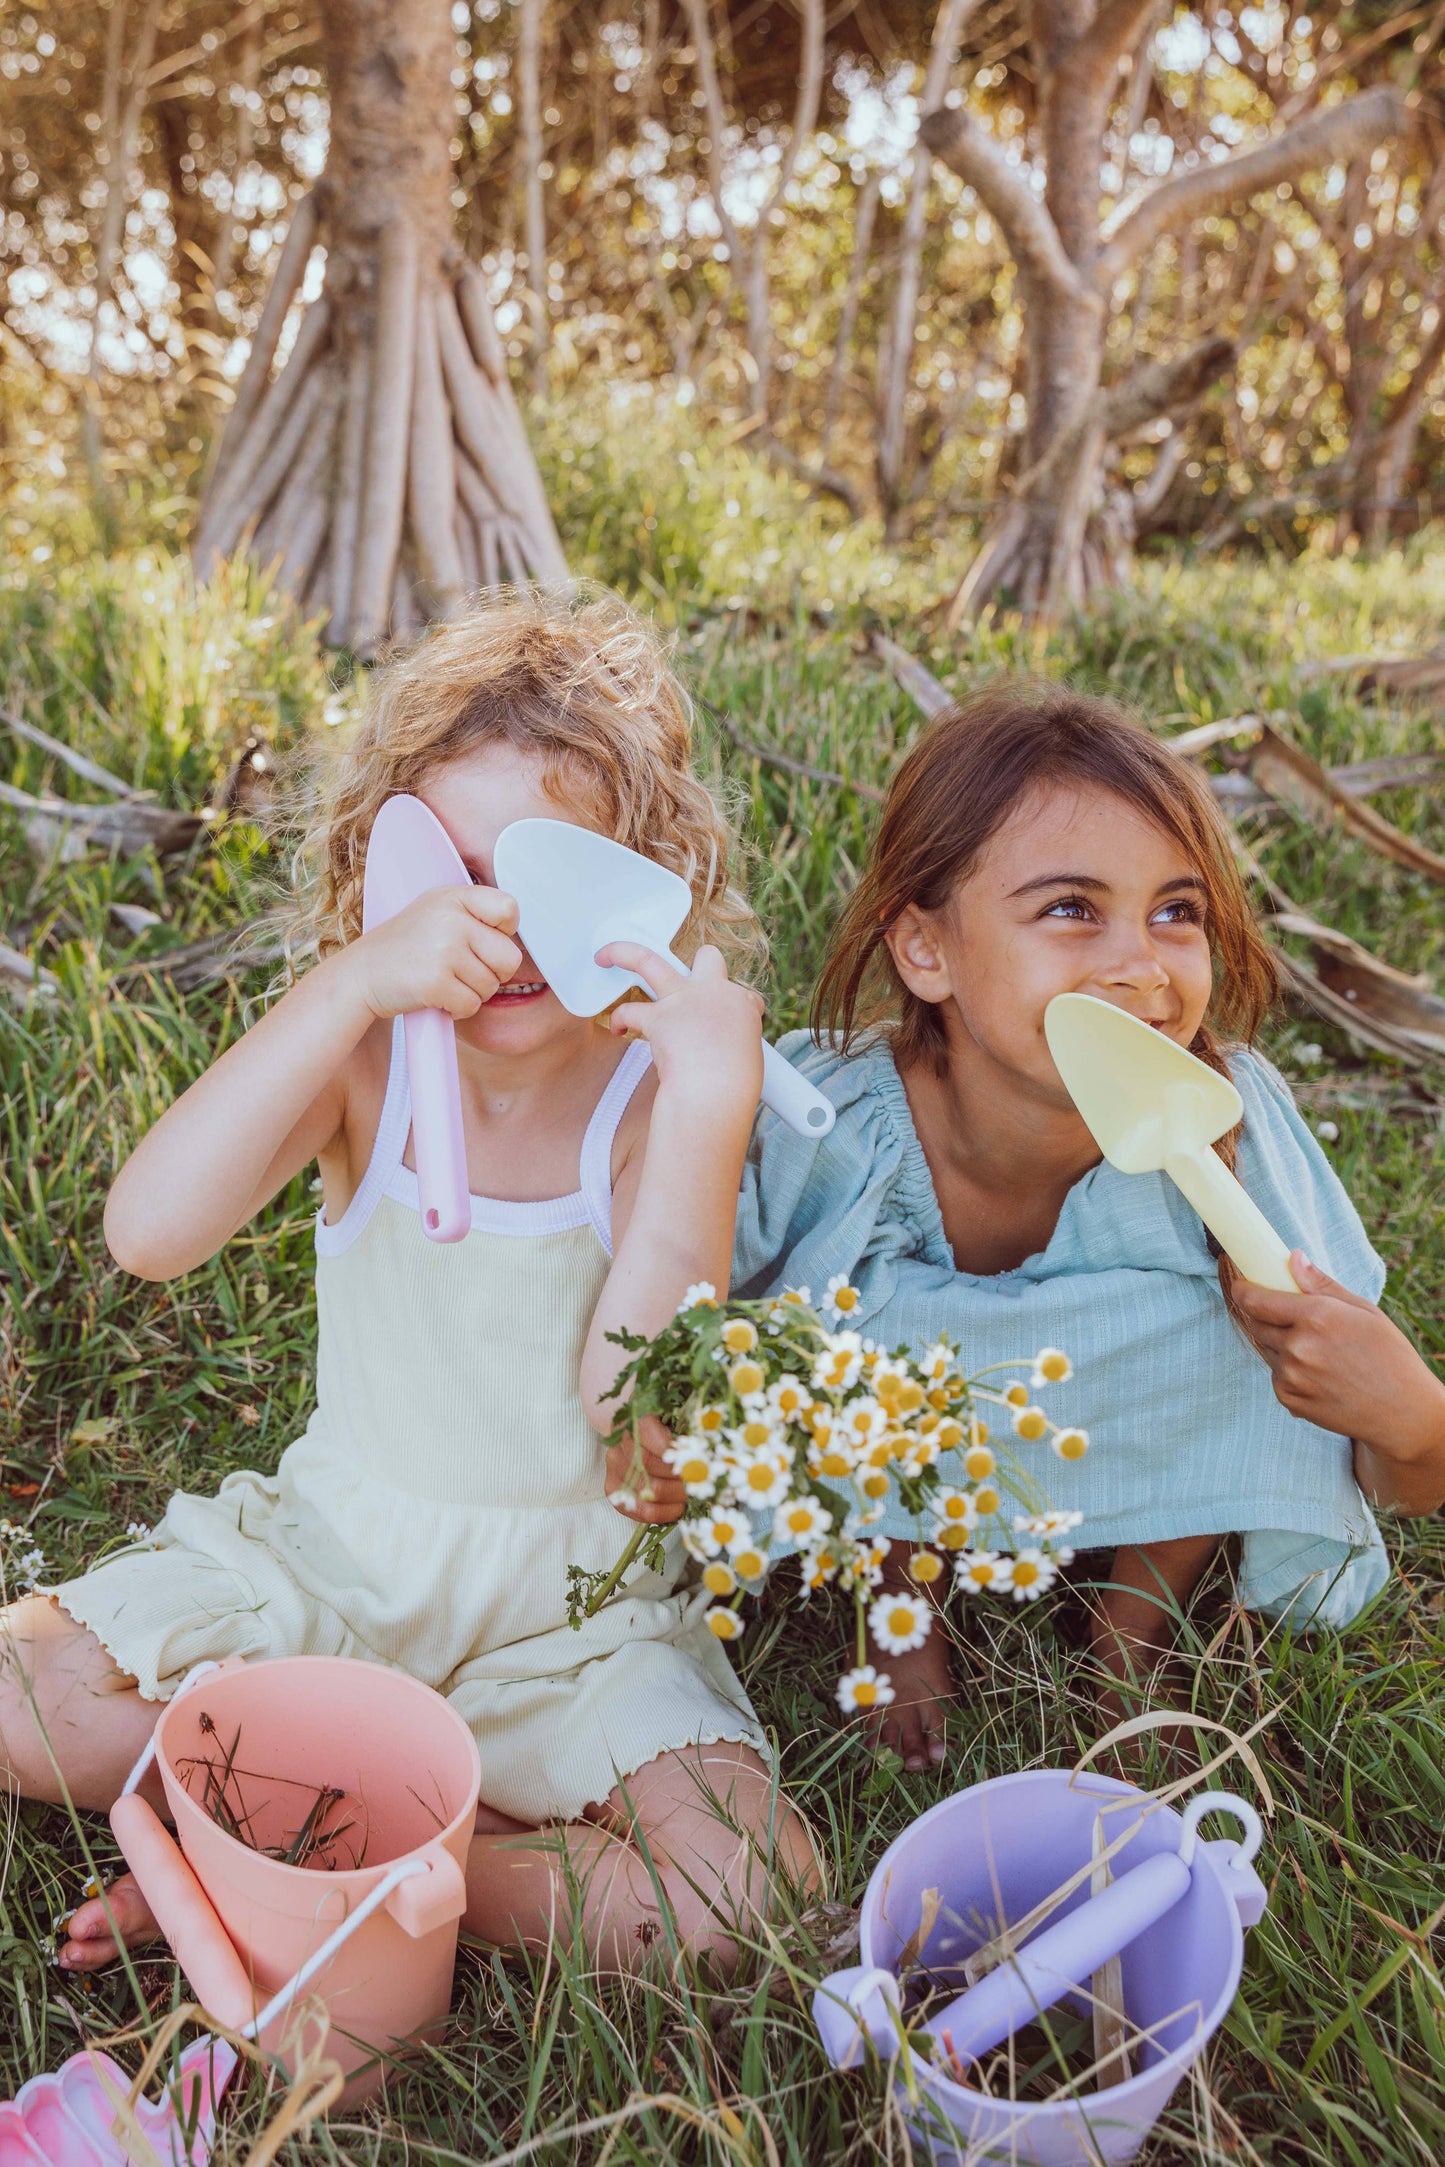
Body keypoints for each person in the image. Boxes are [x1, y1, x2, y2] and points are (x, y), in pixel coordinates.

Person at [0, 586, 815, 1975]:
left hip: (572, 1622)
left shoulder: (643, 1105)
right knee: (22, 1698)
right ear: (375, 879)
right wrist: (346, 991)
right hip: (336, 1563)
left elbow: (645, 1443)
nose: (498, 922)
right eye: (453, 870)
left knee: (748, 1896)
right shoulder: (366, 1068)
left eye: (556, 869)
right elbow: (149, 1231)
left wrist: (702, 1117)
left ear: (650, 876)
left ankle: (329, 1838)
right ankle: (366, 1801)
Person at [725, 682, 1445, 1770]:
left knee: (1238, 1341)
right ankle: (898, 1597)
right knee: (825, 1329)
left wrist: (1410, 1415)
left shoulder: (1224, 1128)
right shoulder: (836, 1120)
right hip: (909, 1428)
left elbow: (1388, 1455)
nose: (1140, 965)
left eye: (1175, 911)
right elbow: (716, 1301)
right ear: (926, 952)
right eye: (1069, 909)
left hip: (1131, 1405)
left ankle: (1130, 1623)